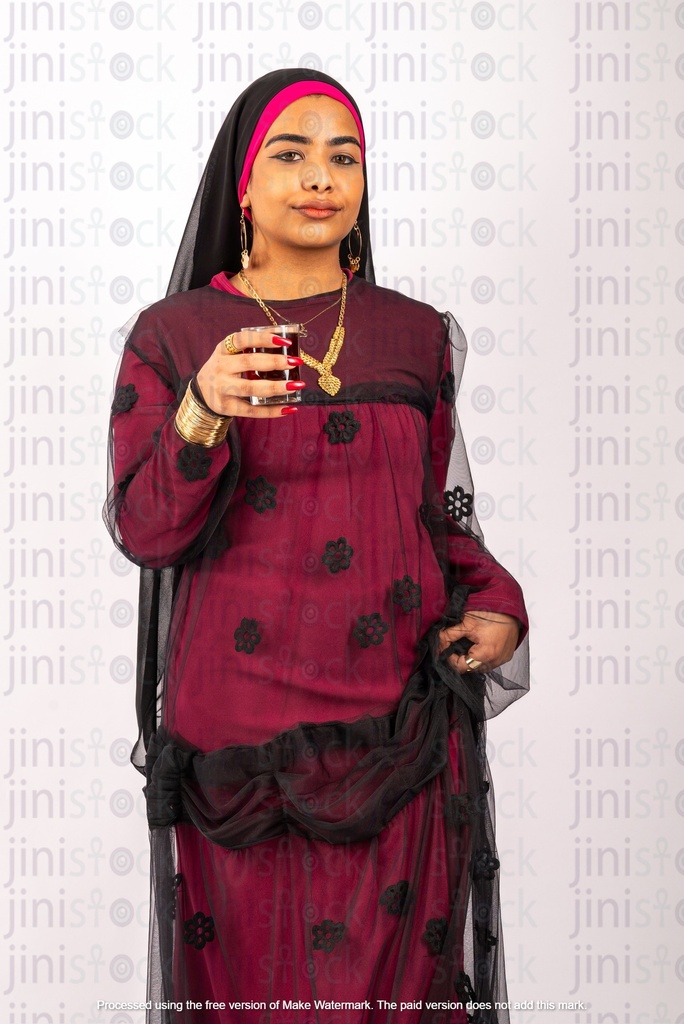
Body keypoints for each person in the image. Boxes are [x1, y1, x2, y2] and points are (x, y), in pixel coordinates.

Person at [105, 70, 529, 1024]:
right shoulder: (177, 338)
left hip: (400, 730)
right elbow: (146, 528)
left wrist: (496, 601)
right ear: (242, 185)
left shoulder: (413, 337)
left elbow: (437, 515)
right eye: (290, 154)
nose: (321, 177)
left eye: (345, 156)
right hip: (239, 744)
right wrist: (203, 409)